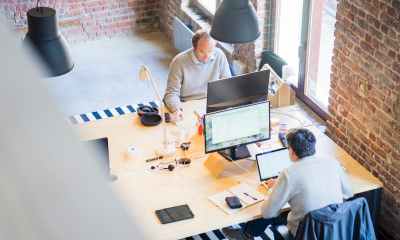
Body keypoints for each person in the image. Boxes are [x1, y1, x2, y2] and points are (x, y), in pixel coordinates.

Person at [223, 128, 353, 240]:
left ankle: (247, 234)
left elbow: (267, 212)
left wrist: (274, 189)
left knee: (272, 211)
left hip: (304, 234)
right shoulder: (332, 162)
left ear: (292, 151)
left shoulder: (289, 174)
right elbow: (348, 193)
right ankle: (248, 233)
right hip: (333, 230)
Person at [163, 30, 231, 120]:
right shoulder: (179, 62)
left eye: (210, 51)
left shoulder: (220, 55)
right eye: (202, 52)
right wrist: (176, 109)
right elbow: (171, 93)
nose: (207, 57)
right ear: (194, 48)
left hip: (211, 104)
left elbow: (227, 84)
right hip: (186, 105)